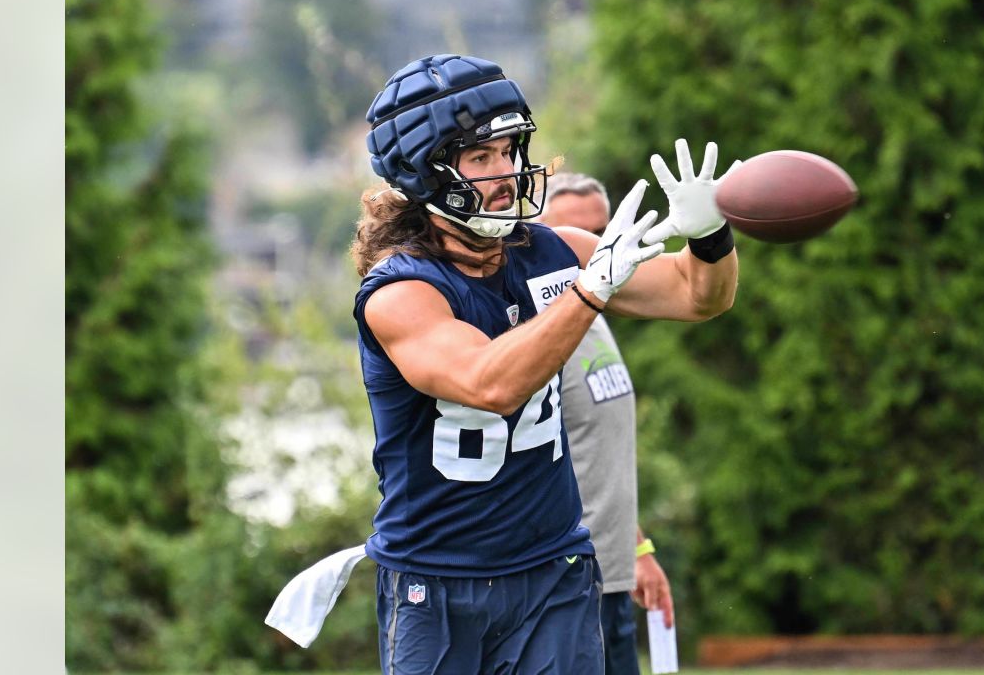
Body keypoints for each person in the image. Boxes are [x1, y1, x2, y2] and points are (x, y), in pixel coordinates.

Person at [268, 53, 739, 675]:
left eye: (512, 150)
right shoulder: (401, 291)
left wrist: (710, 235)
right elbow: (490, 383)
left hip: (553, 571)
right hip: (438, 583)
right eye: (482, 156)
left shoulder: (553, 251)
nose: (508, 171)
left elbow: (698, 295)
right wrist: (590, 291)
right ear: (426, 172)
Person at [535, 172, 674, 675]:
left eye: (601, 231)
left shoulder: (596, 319)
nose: (593, 249)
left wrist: (637, 549)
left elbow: (598, 449)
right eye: (573, 234)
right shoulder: (535, 335)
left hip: (612, 574)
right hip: (565, 578)